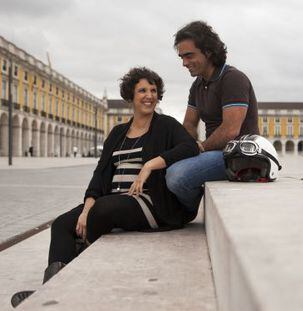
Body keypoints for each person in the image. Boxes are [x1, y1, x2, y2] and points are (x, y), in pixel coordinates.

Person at [11, 67, 199, 308]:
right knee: (62, 224)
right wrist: (87, 205)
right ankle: (50, 290)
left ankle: (70, 273)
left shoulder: (166, 125)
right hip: (112, 200)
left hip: (151, 202)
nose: (149, 95)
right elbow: (101, 173)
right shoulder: (118, 132)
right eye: (142, 90)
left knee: (103, 210)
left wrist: (150, 165)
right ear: (130, 96)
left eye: (153, 90)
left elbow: (190, 148)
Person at [166, 21, 259, 212]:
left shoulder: (233, 78)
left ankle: (186, 211)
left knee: (177, 176)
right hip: (215, 152)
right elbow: (189, 125)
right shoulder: (197, 85)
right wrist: (181, 147)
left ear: (208, 52)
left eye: (189, 55)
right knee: (161, 164)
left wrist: (200, 147)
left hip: (240, 154)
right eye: (181, 57)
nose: (184, 63)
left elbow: (230, 130)